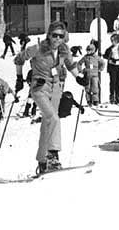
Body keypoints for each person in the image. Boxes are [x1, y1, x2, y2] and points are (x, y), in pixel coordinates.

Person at [15, 21, 82, 173]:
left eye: (61, 36)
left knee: (48, 123)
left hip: (56, 88)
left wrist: (79, 78)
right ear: (49, 35)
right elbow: (19, 59)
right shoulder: (38, 48)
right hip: (40, 87)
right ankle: (53, 155)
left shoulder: (64, 50)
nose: (57, 39)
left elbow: (71, 65)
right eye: (54, 35)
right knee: (53, 118)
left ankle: (42, 160)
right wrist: (19, 78)